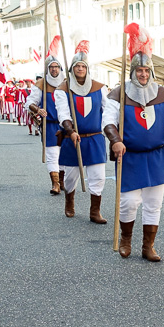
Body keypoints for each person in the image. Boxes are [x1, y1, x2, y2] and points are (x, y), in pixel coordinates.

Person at [103, 40, 164, 260]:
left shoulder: (163, 94)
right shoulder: (118, 94)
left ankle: (148, 246)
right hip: (129, 156)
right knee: (129, 202)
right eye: (139, 70)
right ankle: (125, 240)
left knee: (153, 204)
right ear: (132, 72)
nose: (143, 74)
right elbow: (108, 122)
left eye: (146, 70)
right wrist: (115, 140)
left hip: (157, 155)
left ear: (151, 71)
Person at [54, 47, 114, 224]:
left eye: (83, 66)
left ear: (87, 69)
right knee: (71, 177)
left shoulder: (99, 88)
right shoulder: (63, 90)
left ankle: (95, 211)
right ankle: (69, 201)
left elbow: (108, 110)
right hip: (73, 139)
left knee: (98, 176)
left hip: (95, 138)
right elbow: (63, 114)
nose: (80, 69)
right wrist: (71, 131)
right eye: (77, 66)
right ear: (72, 68)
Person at [27, 57, 65, 195]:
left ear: (60, 68)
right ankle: (55, 184)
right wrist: (37, 109)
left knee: (64, 155)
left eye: (56, 66)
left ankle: (62, 181)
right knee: (52, 155)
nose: (54, 69)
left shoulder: (67, 83)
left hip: (66, 125)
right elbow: (30, 102)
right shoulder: (41, 84)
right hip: (50, 125)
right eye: (51, 67)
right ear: (47, 69)